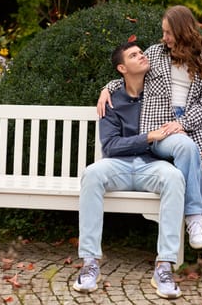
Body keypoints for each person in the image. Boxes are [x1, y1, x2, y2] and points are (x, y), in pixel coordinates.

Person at [97, 5, 202, 283]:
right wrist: (107, 88)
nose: (164, 37)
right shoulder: (154, 55)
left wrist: (199, 131)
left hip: (196, 133)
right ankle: (194, 217)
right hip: (161, 133)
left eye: (168, 32)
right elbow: (130, 74)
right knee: (182, 145)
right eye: (163, 32)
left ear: (182, 32)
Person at [74, 41, 185, 299]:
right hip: (119, 167)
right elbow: (110, 146)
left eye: (141, 52)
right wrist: (148, 136)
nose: (142, 56)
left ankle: (164, 266)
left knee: (175, 177)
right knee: (91, 174)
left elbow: (191, 107)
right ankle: (90, 263)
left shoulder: (160, 93)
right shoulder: (112, 100)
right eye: (134, 55)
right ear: (122, 68)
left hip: (151, 166)